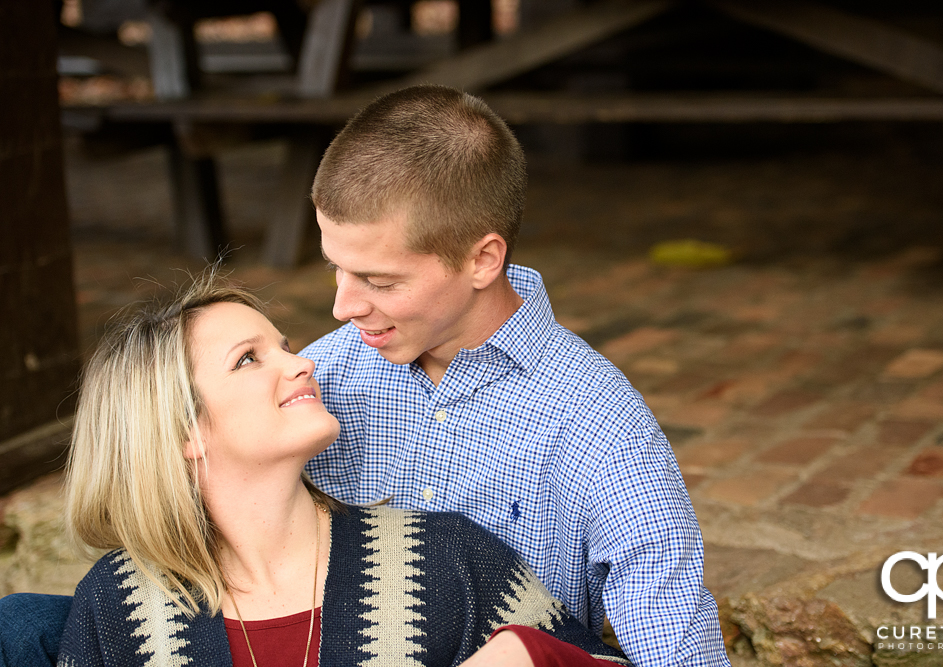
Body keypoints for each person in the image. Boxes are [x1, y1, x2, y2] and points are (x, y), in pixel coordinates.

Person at [302, 85, 729, 667]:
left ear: (482, 260)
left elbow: (674, 640)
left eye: (379, 281)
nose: (344, 307)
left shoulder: (600, 424)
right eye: (336, 270)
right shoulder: (315, 378)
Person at [54, 275, 630, 667]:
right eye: (249, 359)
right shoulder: (120, 604)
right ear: (185, 431)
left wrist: (529, 654)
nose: (303, 362)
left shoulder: (441, 558)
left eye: (284, 345)